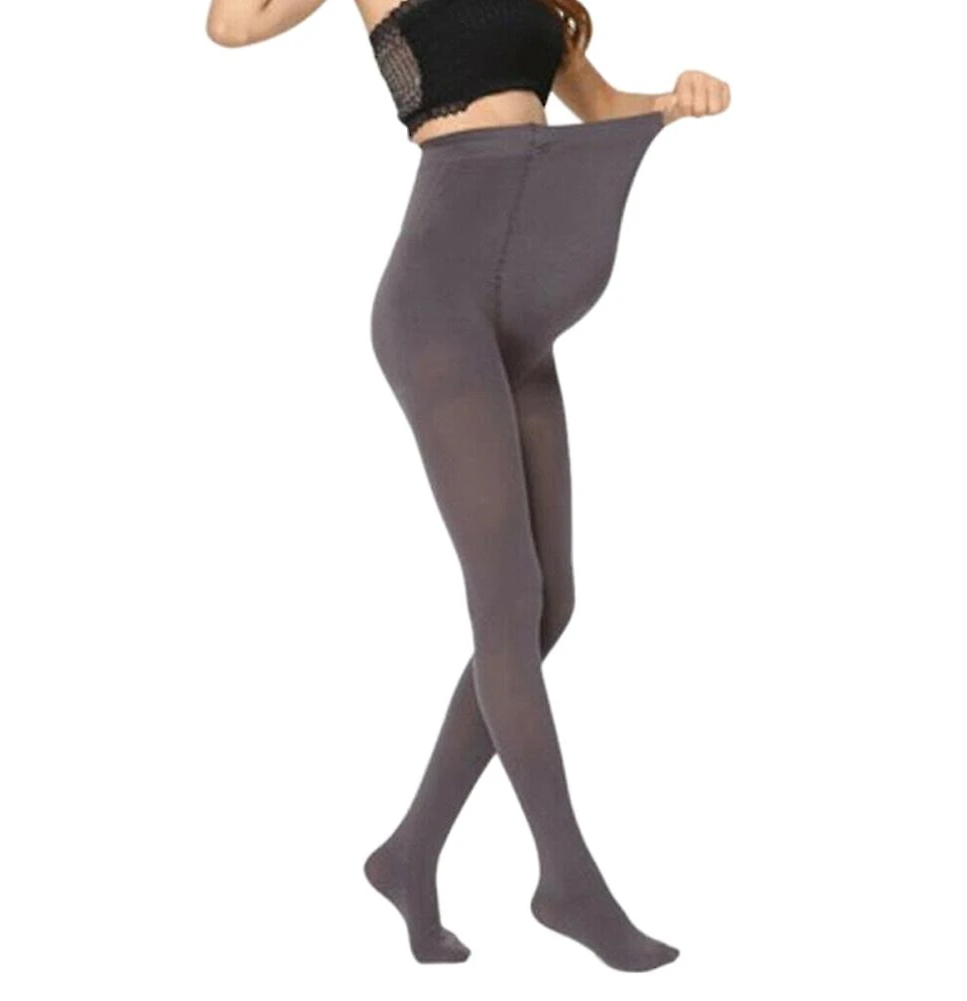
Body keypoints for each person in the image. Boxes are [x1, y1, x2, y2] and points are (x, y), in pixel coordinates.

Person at [206, 0, 731, 971]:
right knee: (507, 595)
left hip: (521, 311)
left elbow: (601, 103)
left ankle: (407, 854)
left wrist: (674, 97)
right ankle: (565, 878)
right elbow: (230, 27)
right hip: (437, 302)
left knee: (548, 601)